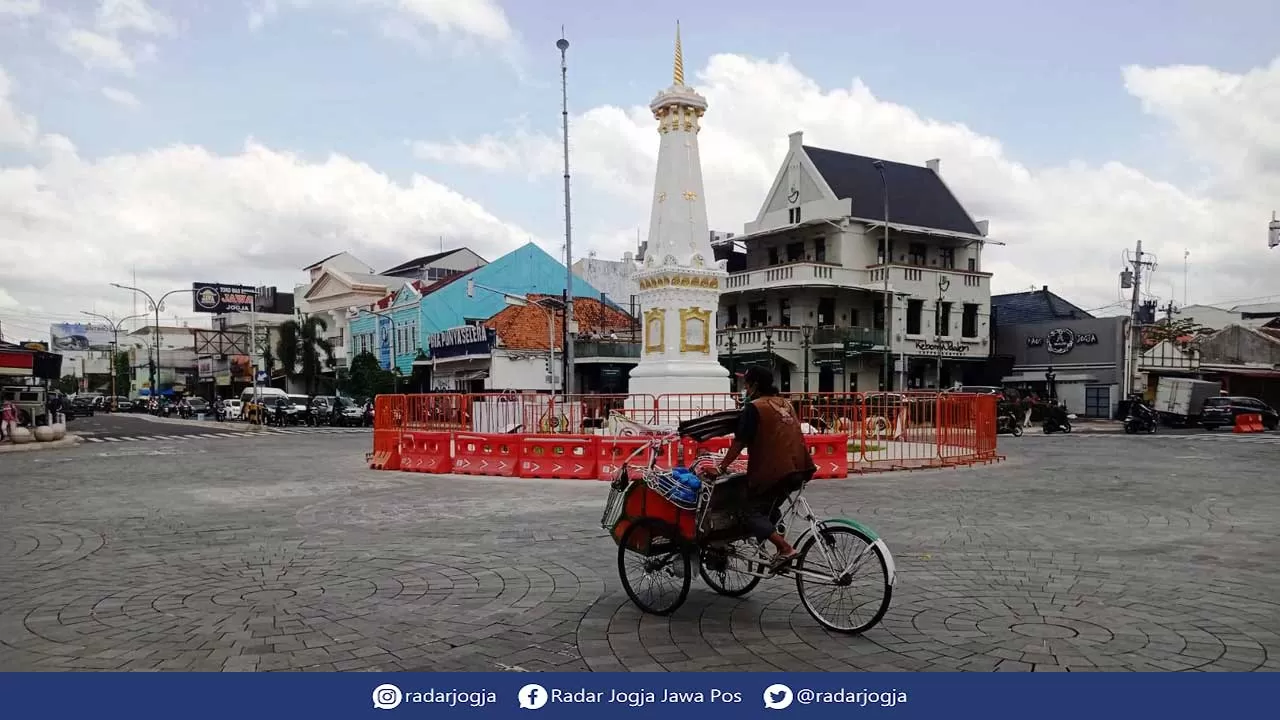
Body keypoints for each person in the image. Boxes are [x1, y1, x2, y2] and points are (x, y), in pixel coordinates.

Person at [702, 365, 816, 573]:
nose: (744, 388)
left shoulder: (755, 408)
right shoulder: (785, 403)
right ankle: (775, 533)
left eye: (746, 384)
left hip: (776, 472)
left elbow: (739, 443)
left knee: (747, 512)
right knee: (768, 506)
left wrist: (721, 468)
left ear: (754, 385)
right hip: (802, 468)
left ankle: (784, 548)